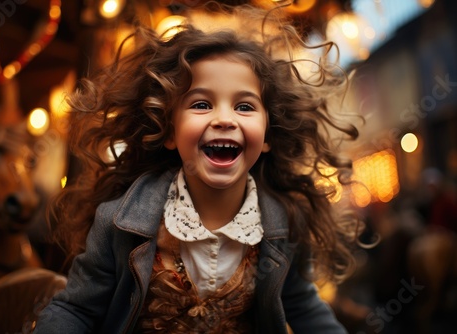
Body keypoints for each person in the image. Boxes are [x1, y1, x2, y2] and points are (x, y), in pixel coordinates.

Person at [34, 4, 360, 333]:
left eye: (244, 106)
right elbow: (76, 309)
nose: (223, 119)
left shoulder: (284, 224)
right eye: (201, 104)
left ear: (268, 136)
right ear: (170, 132)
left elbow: (304, 307)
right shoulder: (119, 220)